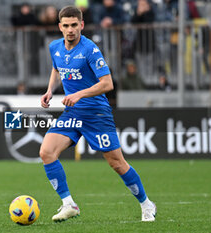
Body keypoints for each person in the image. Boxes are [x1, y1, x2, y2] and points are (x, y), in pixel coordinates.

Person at [39, 6, 156, 222]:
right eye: (66, 26)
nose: (70, 30)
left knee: (117, 163)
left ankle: (147, 204)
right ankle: (68, 204)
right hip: (73, 113)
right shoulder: (55, 47)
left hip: (96, 113)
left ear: (81, 25)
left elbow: (107, 83)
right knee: (46, 152)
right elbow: (57, 69)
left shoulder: (90, 49)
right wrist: (49, 90)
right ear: (60, 27)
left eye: (74, 25)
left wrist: (79, 95)